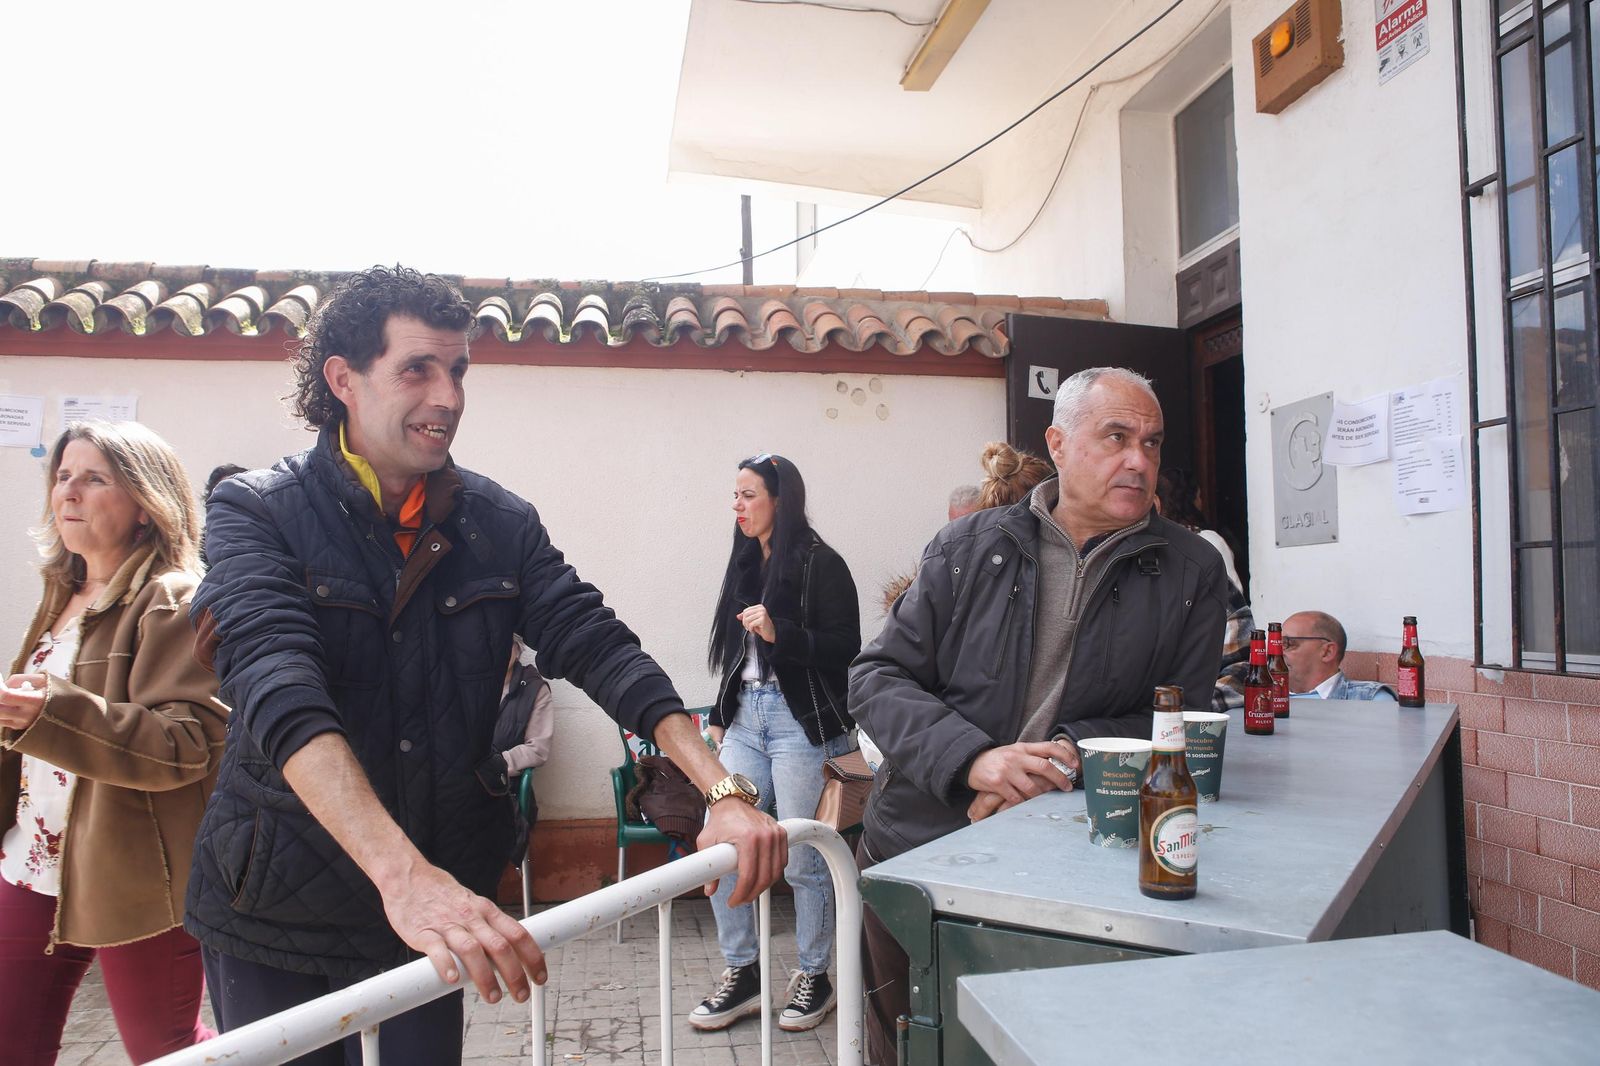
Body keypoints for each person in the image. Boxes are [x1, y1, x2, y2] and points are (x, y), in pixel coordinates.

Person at [186, 265, 785, 1065]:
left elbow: (599, 644)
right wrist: (403, 877)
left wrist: (723, 790)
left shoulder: (499, 521)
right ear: (343, 381)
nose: (448, 396)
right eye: (417, 369)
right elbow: (276, 686)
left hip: (444, 911)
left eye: (458, 369)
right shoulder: (256, 511)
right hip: (281, 908)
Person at [849, 366, 1229, 1065]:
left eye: (1152, 442)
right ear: (1057, 442)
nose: (1138, 460)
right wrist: (973, 759)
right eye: (1116, 436)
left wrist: (1063, 752)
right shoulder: (966, 549)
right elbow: (877, 675)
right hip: (922, 844)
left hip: (1073, 864)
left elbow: (1182, 714)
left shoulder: (1189, 570)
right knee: (908, 1041)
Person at [0, 421, 224, 1064]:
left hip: (132, 869)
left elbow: (186, 744)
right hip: (34, 858)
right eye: (63, 476)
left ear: (146, 507)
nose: (69, 492)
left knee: (165, 1049)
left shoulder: (173, 599)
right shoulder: (61, 594)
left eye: (95, 478)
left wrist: (54, 709)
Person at [691, 453, 861, 1034]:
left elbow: (845, 647)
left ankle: (817, 976)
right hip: (745, 722)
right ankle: (744, 973)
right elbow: (736, 659)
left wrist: (780, 633)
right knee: (723, 842)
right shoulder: (746, 563)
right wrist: (718, 718)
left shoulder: (821, 563)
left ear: (780, 500)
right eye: (735, 495)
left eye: (747, 495)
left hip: (798, 727)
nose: (736, 506)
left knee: (804, 857)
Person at [473, 636, 555, 865]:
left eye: (506, 643)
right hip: (462, 780)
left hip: (506, 787)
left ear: (518, 649)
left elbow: (538, 749)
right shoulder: (469, 683)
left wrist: (492, 766)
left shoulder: (535, 689)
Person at [1155, 467, 1243, 596]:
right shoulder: (1209, 542)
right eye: (1199, 496)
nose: (1201, 502)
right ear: (1190, 502)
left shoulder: (1142, 544)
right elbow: (1232, 605)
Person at [1283, 611, 1397, 700]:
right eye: (1274, 644)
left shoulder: (1370, 699)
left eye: (1287, 643)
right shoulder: (1268, 700)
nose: (1276, 653)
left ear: (1328, 652)